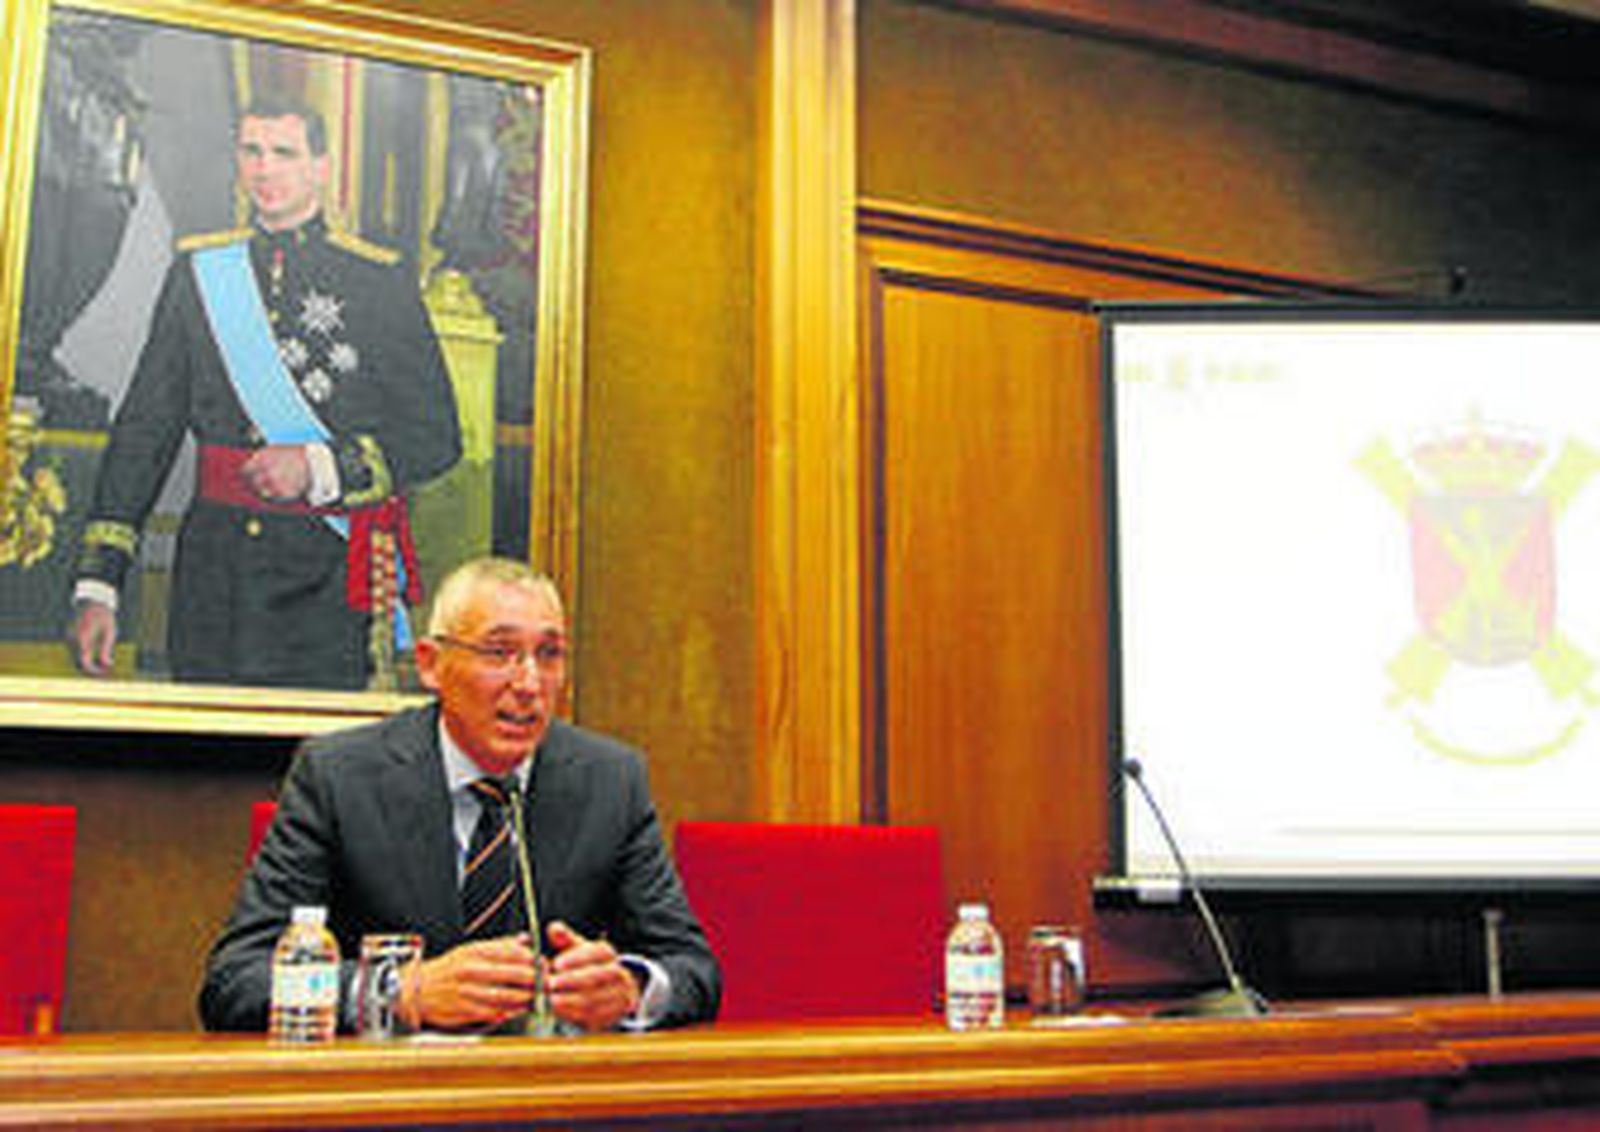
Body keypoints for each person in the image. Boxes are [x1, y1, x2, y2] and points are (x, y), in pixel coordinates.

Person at [199, 557, 721, 1033]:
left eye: (549, 654)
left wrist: (629, 989)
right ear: (430, 665)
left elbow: (692, 971)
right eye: (500, 653)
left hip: (546, 1101)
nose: (530, 683)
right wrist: (399, 991)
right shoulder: (340, 776)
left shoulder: (609, 780)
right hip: (389, 1103)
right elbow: (236, 980)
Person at [70, 92, 461, 690]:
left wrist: (318, 465)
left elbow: (435, 436)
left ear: (321, 166)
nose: (265, 169)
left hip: (325, 587)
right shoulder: (199, 274)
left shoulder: (377, 281)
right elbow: (145, 430)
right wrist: (100, 584)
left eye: (284, 152)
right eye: (252, 151)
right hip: (213, 576)